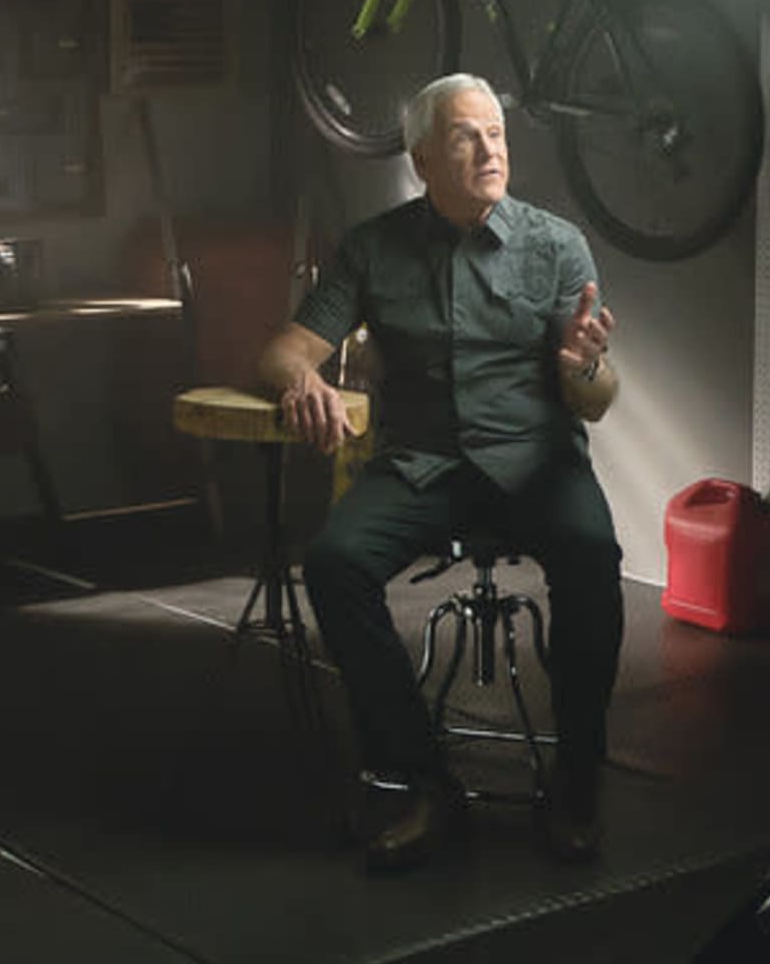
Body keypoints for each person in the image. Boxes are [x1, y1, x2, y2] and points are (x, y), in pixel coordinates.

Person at [261, 75, 622, 871]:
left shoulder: (557, 245)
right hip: (422, 464)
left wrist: (580, 369)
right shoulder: (373, 247)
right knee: (334, 562)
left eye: (496, 133)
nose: (491, 149)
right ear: (424, 158)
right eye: (467, 136)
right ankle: (426, 781)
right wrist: (303, 380)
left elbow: (595, 400)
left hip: (536, 460)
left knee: (594, 558)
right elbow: (285, 348)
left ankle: (578, 782)